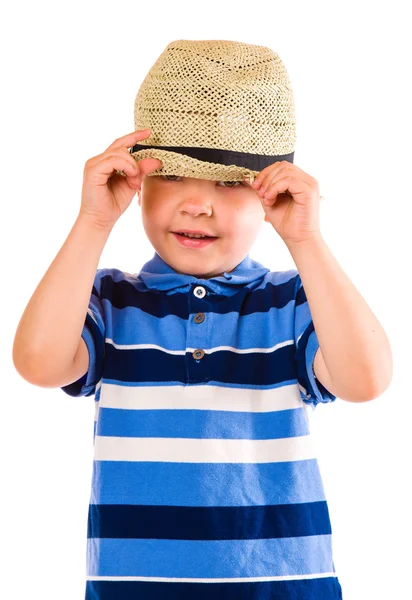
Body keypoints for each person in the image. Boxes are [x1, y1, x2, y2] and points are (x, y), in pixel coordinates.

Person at [12, 39, 392, 600]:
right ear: (138, 183)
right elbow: (39, 364)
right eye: (174, 177)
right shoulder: (111, 302)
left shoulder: (289, 303)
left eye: (231, 183)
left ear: (271, 193)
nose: (198, 204)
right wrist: (93, 222)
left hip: (283, 587)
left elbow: (366, 381)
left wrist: (306, 240)